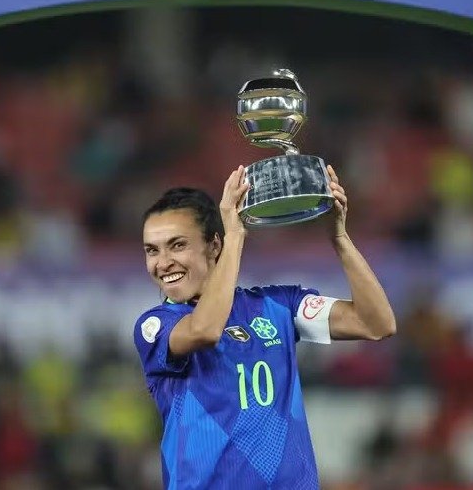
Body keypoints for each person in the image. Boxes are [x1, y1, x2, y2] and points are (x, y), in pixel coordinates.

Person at [133, 164, 397, 489]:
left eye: (177, 245)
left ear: (213, 246)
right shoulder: (156, 325)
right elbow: (206, 330)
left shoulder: (277, 306)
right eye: (152, 250)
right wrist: (235, 235)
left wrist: (339, 238)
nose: (162, 263)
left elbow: (376, 324)